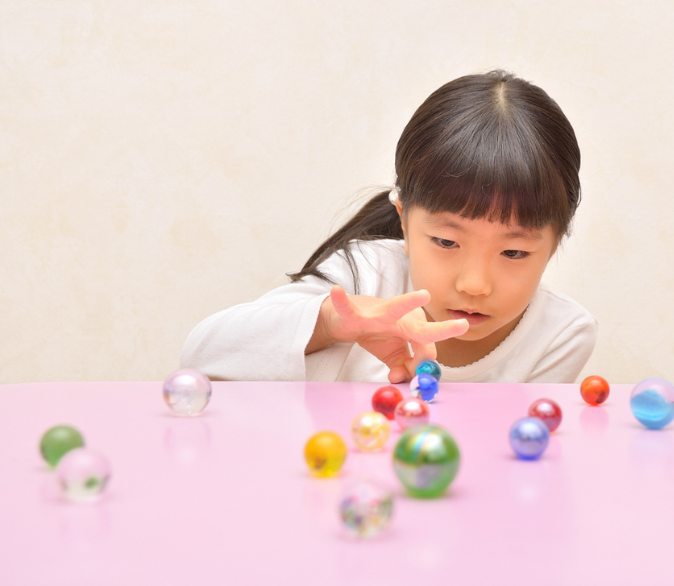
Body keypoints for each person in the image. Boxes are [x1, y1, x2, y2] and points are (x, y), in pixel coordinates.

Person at [181, 70, 596, 384]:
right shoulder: (364, 276)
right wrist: (327, 324)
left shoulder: (561, 334)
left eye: (514, 252)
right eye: (446, 241)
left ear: (556, 240)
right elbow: (203, 354)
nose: (475, 284)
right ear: (403, 218)